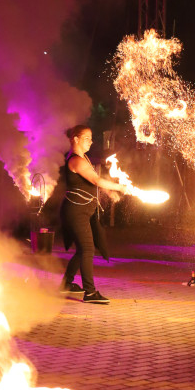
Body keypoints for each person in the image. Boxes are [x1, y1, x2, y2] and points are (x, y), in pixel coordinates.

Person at [60, 125, 127, 303]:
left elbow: (91, 184)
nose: (91, 141)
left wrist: (110, 193)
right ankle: (90, 292)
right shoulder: (76, 161)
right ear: (75, 139)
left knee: (83, 248)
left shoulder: (85, 158)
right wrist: (120, 187)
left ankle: (66, 283)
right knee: (87, 248)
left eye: (91, 138)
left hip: (83, 211)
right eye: (87, 138)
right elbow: (96, 180)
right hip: (76, 212)